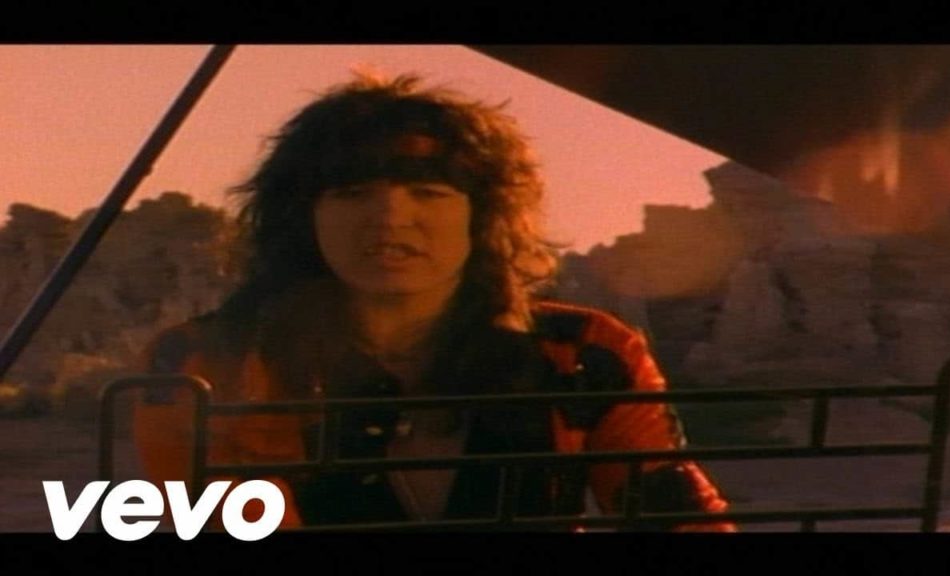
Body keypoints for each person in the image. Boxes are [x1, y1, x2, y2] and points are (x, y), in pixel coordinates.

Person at [133, 72, 735, 532]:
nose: (390, 218)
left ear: (483, 216)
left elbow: (678, 517)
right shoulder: (201, 363)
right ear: (302, 216)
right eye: (353, 193)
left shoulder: (584, 354)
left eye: (427, 192)